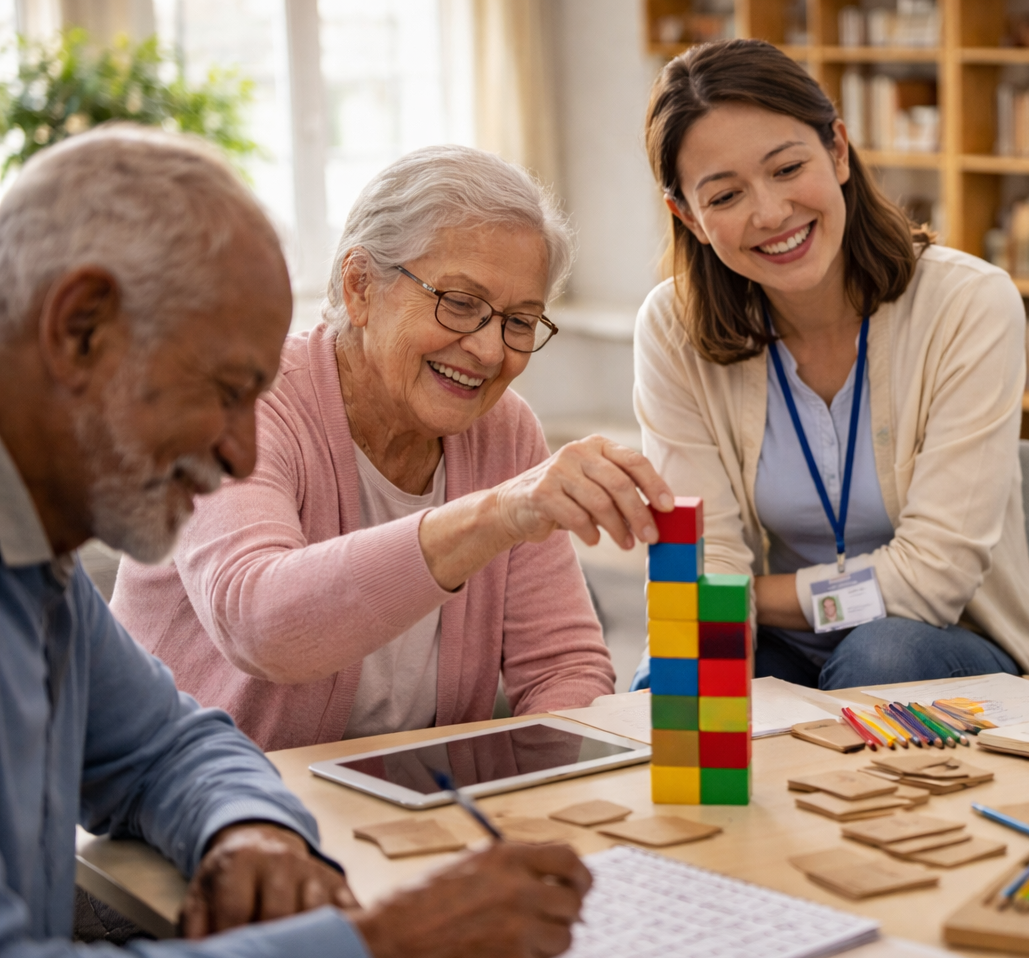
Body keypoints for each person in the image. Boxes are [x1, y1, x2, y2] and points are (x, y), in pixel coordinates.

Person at [0, 126, 594, 958]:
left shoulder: (37, 562)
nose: (240, 449)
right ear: (79, 328)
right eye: (224, 389)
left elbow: (164, 747)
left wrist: (249, 830)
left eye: (515, 320)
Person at [112, 145, 673, 750]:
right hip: (194, 803)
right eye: (459, 303)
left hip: (415, 810)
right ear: (359, 287)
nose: (489, 352)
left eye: (518, 321)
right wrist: (495, 514)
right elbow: (260, 622)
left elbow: (563, 666)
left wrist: (555, 799)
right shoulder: (240, 403)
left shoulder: (505, 432)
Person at [633, 39, 1029, 691]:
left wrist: (744, 597)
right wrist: (704, 642)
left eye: (786, 168)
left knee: (878, 658)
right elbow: (701, 559)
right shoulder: (672, 328)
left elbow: (930, 581)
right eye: (724, 196)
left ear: (837, 150)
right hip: (774, 646)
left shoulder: (967, 302)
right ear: (686, 215)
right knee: (672, 683)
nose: (770, 214)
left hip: (938, 643)